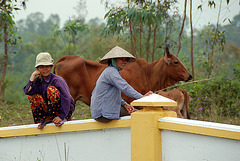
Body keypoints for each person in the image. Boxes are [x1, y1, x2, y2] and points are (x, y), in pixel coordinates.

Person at [90, 46, 153, 123]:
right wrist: (142, 97)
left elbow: (111, 95)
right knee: (139, 115)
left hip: (101, 111)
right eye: (121, 59)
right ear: (113, 60)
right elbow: (125, 87)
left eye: (126, 59)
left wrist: (125, 105)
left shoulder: (111, 71)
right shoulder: (111, 72)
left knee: (135, 112)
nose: (124, 62)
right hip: (103, 113)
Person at [23, 52, 75, 129]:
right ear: (37, 68)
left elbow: (66, 97)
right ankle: (43, 120)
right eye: (42, 67)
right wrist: (33, 76)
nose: (45, 69)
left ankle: (58, 118)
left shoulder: (57, 80)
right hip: (49, 111)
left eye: (47, 66)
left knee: (51, 90)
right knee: (32, 96)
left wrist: (61, 116)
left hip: (64, 110)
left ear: (51, 67)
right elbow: (27, 91)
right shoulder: (38, 81)